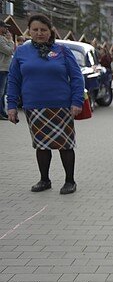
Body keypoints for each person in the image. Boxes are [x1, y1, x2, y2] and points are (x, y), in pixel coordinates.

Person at [6, 13, 85, 194]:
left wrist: (77, 101)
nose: (39, 33)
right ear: (29, 31)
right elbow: (13, 80)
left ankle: (70, 181)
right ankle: (44, 180)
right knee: (41, 145)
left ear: (50, 31)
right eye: (35, 30)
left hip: (62, 106)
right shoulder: (21, 52)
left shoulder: (63, 51)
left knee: (65, 145)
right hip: (34, 107)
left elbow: (76, 78)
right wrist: (11, 105)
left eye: (43, 30)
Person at [0, 23, 14, 119]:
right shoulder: (1, 39)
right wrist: (10, 41)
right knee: (0, 93)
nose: (7, 29)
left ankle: (2, 112)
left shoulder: (3, 38)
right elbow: (9, 51)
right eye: (5, 27)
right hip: (1, 68)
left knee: (3, 93)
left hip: (5, 69)